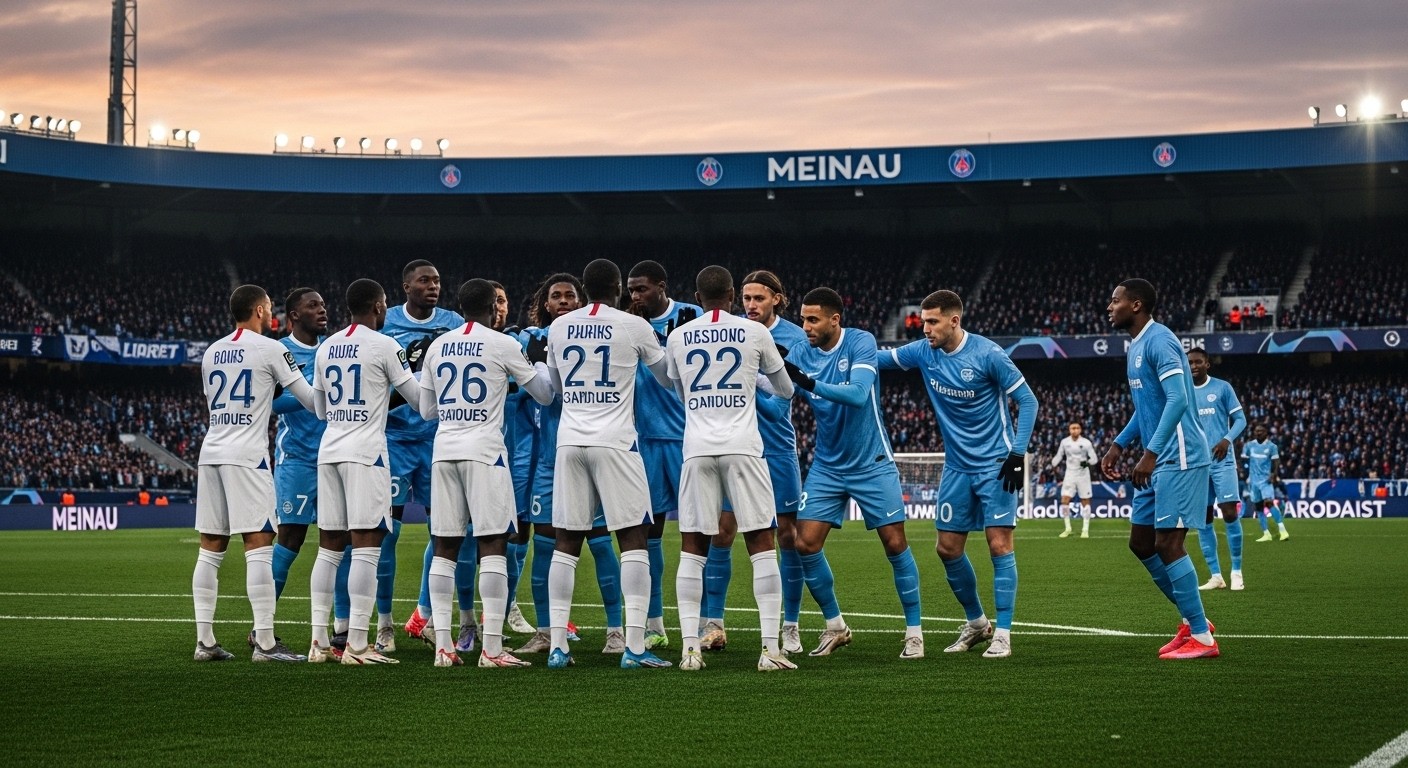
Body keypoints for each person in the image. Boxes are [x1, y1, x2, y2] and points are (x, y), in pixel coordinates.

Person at [880, 290, 1037, 659]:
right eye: (923, 321)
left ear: (954, 320)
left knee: (999, 545)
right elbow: (879, 359)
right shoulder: (923, 352)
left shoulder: (988, 354)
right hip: (956, 467)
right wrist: (838, 351)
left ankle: (1005, 633)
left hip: (995, 465)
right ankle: (977, 624)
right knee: (947, 549)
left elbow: (1028, 401)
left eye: (932, 322)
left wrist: (1017, 454)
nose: (925, 329)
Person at [417, 279, 555, 667]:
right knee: (493, 545)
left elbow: (427, 410)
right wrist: (541, 359)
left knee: (445, 548)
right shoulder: (503, 344)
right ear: (495, 307)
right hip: (485, 453)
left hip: (444, 453)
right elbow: (544, 393)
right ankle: (492, 649)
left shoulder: (438, 345)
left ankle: (443, 647)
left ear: (459, 306)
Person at [545, 259, 674, 670]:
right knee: (634, 537)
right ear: (619, 287)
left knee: (566, 542)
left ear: (582, 290)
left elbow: (556, 389)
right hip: (616, 441)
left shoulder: (559, 327)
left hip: (570, 440)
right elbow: (669, 377)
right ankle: (635, 647)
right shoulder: (634, 326)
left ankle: (557, 648)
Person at [666, 265, 797, 672]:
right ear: (733, 294)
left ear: (698, 295)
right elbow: (786, 389)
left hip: (698, 448)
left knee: (693, 548)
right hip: (743, 447)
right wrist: (753, 380)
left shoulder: (678, 336)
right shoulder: (755, 332)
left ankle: (690, 650)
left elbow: (678, 387)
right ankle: (769, 650)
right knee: (761, 543)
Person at [784, 287, 924, 659]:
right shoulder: (800, 352)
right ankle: (835, 626)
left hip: (872, 462)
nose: (806, 327)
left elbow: (859, 394)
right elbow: (778, 395)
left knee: (895, 543)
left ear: (834, 319)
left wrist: (809, 382)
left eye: (812, 320)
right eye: (802, 319)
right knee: (805, 543)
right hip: (828, 465)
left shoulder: (860, 342)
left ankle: (914, 632)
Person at [193, 284, 316, 663]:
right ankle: (265, 643)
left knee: (211, 549)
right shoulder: (272, 348)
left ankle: (205, 642)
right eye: (269, 308)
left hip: (211, 452)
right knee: (260, 544)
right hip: (247, 456)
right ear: (261, 310)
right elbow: (312, 401)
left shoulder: (212, 351)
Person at [1100, 278, 1219, 660]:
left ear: (1136, 305)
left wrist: (1149, 454)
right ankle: (1191, 618)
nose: (1109, 306)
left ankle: (1202, 638)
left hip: (1180, 456)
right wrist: (1119, 445)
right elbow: (1146, 406)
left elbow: (1179, 399)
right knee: (1141, 543)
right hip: (1159, 457)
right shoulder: (1135, 346)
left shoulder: (1161, 340)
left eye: (1115, 300)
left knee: (1169, 543)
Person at [309, 278, 425, 665]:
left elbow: (322, 410)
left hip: (330, 452)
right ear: (378, 307)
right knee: (366, 546)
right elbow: (422, 404)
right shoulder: (386, 345)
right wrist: (432, 372)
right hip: (366, 454)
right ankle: (358, 644)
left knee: (328, 550)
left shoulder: (327, 346)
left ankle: (319, 643)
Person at [513, 274, 626, 656]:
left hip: (591, 450)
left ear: (581, 301)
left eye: (569, 295)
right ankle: (547, 631)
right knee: (544, 545)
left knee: (600, 542)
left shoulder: (597, 337)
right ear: (545, 303)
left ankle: (616, 631)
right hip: (550, 457)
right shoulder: (528, 340)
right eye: (555, 296)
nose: (562, 301)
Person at [698, 270, 808, 654]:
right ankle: (713, 624)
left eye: (759, 298)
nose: (750, 306)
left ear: (777, 299)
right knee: (721, 533)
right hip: (732, 446)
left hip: (775, 448)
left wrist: (751, 384)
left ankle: (790, 625)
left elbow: (779, 409)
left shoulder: (794, 338)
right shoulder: (733, 332)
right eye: (745, 298)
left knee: (786, 536)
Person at [384, 260, 465, 654]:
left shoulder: (451, 321)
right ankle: (383, 624)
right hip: (394, 438)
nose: (433, 286)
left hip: (437, 438)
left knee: (445, 532)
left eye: (436, 280)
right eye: (424, 280)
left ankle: (428, 616)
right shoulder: (387, 323)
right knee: (388, 533)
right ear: (406, 286)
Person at [267, 288, 351, 656]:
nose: (322, 310)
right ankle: (262, 627)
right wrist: (312, 392)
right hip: (297, 459)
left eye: (322, 305)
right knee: (290, 538)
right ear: (293, 315)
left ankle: (342, 629)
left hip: (334, 456)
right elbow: (271, 403)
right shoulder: (278, 352)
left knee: (343, 540)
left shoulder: (332, 349)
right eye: (312, 306)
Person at [626, 260, 702, 649]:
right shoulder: (627, 324)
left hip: (689, 439)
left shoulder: (693, 318)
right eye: (631, 290)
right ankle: (654, 622)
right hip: (645, 440)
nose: (635, 297)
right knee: (646, 531)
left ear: (661, 286)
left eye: (641, 289)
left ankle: (704, 622)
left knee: (698, 530)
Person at [1187, 348, 1248, 591]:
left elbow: (1241, 420)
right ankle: (1216, 575)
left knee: (1230, 512)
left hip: (1222, 459)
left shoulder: (1222, 388)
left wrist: (1226, 439)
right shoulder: (1183, 392)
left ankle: (1236, 571)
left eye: (1198, 362)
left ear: (1207, 364)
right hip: (1196, 464)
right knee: (1203, 519)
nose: (1193, 366)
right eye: (1189, 362)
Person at [1050, 422, 1098, 539]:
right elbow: (1059, 455)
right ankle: (1067, 528)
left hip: (1083, 475)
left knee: (1085, 501)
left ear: (1080, 430)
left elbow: (1094, 459)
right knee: (1064, 499)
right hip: (1070, 474)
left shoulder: (1086, 443)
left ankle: (1085, 530)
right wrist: (1053, 463)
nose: (1074, 430)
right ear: (1069, 430)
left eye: (1077, 428)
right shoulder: (1065, 442)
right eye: (1072, 428)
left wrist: (1086, 462)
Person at [1244, 424, 1290, 542]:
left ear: (1266, 433)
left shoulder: (1271, 446)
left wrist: (1274, 475)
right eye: (1256, 430)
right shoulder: (1249, 445)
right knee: (1258, 507)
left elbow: (1276, 461)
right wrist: (1245, 475)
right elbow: (1244, 461)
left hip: (1265, 480)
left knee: (1269, 503)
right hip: (1253, 481)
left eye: (1261, 430)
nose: (1258, 432)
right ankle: (1266, 534)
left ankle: (1283, 531)